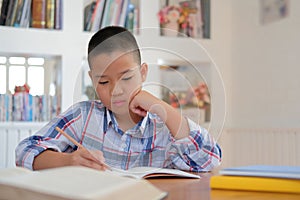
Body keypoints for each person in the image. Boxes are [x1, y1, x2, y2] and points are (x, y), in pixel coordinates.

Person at [16, 26, 221, 172]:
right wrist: (68, 160)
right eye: (104, 82)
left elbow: (210, 159)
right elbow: (24, 152)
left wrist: (161, 107)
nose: (116, 91)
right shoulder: (83, 116)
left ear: (143, 73)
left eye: (127, 78)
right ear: (92, 80)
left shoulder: (164, 126)